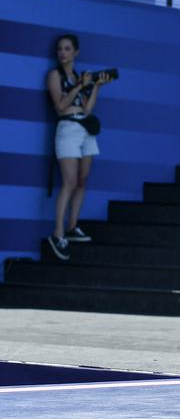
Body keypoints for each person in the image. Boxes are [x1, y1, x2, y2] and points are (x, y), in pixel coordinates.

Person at [46, 35, 113, 261]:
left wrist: (96, 87)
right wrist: (78, 86)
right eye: (59, 49)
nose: (62, 53)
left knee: (83, 181)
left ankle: (72, 227)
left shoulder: (78, 76)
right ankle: (58, 233)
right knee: (69, 182)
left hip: (84, 129)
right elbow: (60, 106)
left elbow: (87, 109)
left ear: (76, 52)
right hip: (67, 129)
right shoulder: (54, 75)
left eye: (67, 49)